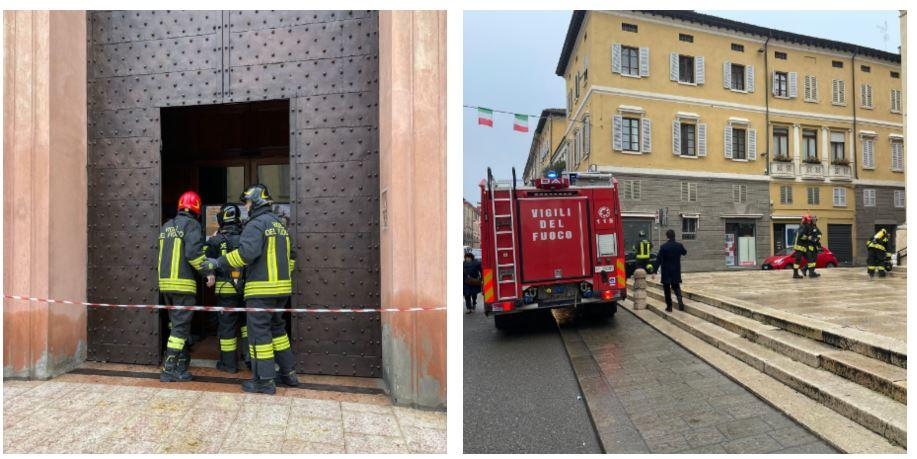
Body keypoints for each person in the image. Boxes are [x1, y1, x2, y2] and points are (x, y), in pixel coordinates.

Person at [204, 184, 299, 394]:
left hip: (260, 291)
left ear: (255, 201)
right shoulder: (280, 224)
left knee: (259, 335)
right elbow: (291, 257)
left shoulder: (256, 225)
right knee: (278, 331)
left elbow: (246, 254)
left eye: (246, 202)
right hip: (281, 290)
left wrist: (218, 263)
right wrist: (281, 277)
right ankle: (288, 373)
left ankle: (264, 381)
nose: (245, 206)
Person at [157, 191, 213, 382]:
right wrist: (208, 273)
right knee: (180, 329)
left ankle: (180, 361)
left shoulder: (166, 226)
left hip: (166, 286)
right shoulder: (192, 225)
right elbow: (193, 254)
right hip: (183, 286)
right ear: (197, 209)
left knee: (175, 325)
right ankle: (169, 369)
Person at [205, 203, 248, 373]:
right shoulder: (246, 237)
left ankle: (229, 365)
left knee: (227, 327)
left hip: (225, 291)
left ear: (221, 219)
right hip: (246, 290)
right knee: (247, 326)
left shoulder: (215, 240)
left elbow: (205, 260)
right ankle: (251, 360)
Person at [657, 229, 687, 312]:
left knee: (667, 290)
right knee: (676, 286)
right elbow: (684, 252)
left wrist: (654, 270)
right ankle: (680, 300)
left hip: (666, 271)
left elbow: (659, 259)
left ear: (667, 236)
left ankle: (669, 307)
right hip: (675, 271)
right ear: (674, 236)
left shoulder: (663, 247)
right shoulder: (679, 245)